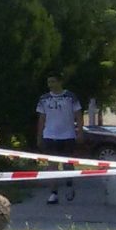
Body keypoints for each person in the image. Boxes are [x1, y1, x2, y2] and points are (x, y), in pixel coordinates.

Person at [35, 75, 83, 205]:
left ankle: (69, 184)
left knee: (68, 164)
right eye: (49, 82)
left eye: (53, 81)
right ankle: (53, 193)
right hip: (50, 136)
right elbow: (42, 118)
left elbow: (78, 115)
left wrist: (79, 132)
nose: (51, 84)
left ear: (60, 81)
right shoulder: (44, 99)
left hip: (67, 135)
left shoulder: (70, 97)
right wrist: (39, 136)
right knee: (52, 165)